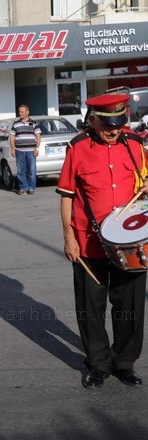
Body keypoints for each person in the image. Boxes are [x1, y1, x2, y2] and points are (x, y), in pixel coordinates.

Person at [57, 93, 147, 389]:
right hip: (88, 241)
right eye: (108, 124)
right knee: (90, 306)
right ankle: (98, 364)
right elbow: (67, 196)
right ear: (92, 119)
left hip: (129, 245)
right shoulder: (78, 147)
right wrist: (68, 237)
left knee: (129, 305)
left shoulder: (135, 144)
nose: (114, 130)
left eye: (120, 123)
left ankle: (125, 363)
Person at [9, 105, 41, 195]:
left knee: (31, 169)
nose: (20, 113)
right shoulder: (16, 124)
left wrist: (37, 148)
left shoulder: (34, 123)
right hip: (19, 151)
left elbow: (38, 136)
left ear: (27, 112)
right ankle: (23, 187)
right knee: (20, 170)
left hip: (31, 151)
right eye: (19, 112)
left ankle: (31, 187)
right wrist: (12, 149)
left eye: (22, 112)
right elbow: (12, 137)